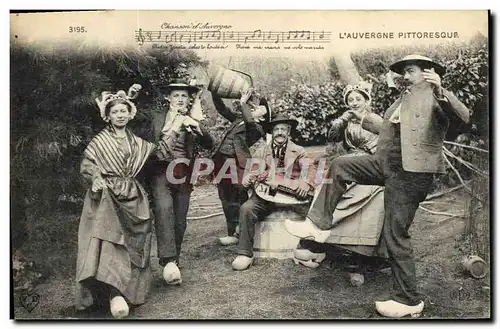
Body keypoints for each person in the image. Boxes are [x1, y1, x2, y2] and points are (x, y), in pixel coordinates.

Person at [285, 55, 470, 318]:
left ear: (427, 73)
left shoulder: (436, 97)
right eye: (403, 72)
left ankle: (408, 300)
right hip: (386, 164)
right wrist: (364, 118)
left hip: (411, 174)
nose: (404, 76)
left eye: (410, 71)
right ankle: (317, 223)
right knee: (340, 165)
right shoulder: (403, 98)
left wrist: (442, 91)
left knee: (395, 234)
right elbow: (391, 130)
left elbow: (461, 122)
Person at [293, 83, 389, 285]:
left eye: (358, 99)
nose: (354, 103)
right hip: (348, 165)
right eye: (350, 100)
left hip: (371, 166)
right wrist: (342, 120)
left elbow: (385, 145)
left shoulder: (376, 120)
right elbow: (332, 138)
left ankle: (361, 257)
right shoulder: (346, 121)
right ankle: (322, 246)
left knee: (372, 196)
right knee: (327, 189)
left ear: (367, 100)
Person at [75, 84, 156, 319]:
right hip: (107, 198)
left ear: (130, 114)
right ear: (108, 116)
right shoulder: (100, 141)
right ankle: (113, 293)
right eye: (115, 112)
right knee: (111, 243)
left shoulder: (138, 142)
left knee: (135, 243)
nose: (120, 115)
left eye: (123, 111)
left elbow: (157, 152)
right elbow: (88, 165)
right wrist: (97, 178)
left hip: (133, 196)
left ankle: (130, 292)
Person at [148, 78, 214, 286]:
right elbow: (147, 146)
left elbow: (209, 143)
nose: (179, 99)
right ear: (168, 98)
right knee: (164, 210)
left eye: (183, 96)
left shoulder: (192, 119)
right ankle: (167, 261)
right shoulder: (157, 118)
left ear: (188, 99)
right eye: (175, 95)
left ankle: (174, 259)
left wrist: (198, 129)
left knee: (180, 219)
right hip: (160, 172)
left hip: (184, 175)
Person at [231, 113, 316, 271]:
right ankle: (245, 254)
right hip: (266, 196)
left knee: (314, 211)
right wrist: (249, 178)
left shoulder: (298, 151)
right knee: (247, 209)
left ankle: (309, 249)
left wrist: (305, 183)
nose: (280, 132)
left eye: (283, 129)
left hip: (291, 197)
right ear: (272, 133)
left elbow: (310, 169)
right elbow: (253, 171)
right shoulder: (261, 151)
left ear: (289, 132)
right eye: (276, 129)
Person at [211, 88, 270, 246]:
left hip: (238, 164)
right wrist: (214, 91)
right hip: (222, 161)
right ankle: (233, 233)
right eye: (253, 107)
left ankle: (243, 232)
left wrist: (243, 102)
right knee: (225, 197)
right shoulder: (239, 119)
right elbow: (222, 109)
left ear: (263, 117)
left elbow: (250, 121)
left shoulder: (257, 128)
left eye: (258, 109)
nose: (254, 108)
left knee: (239, 196)